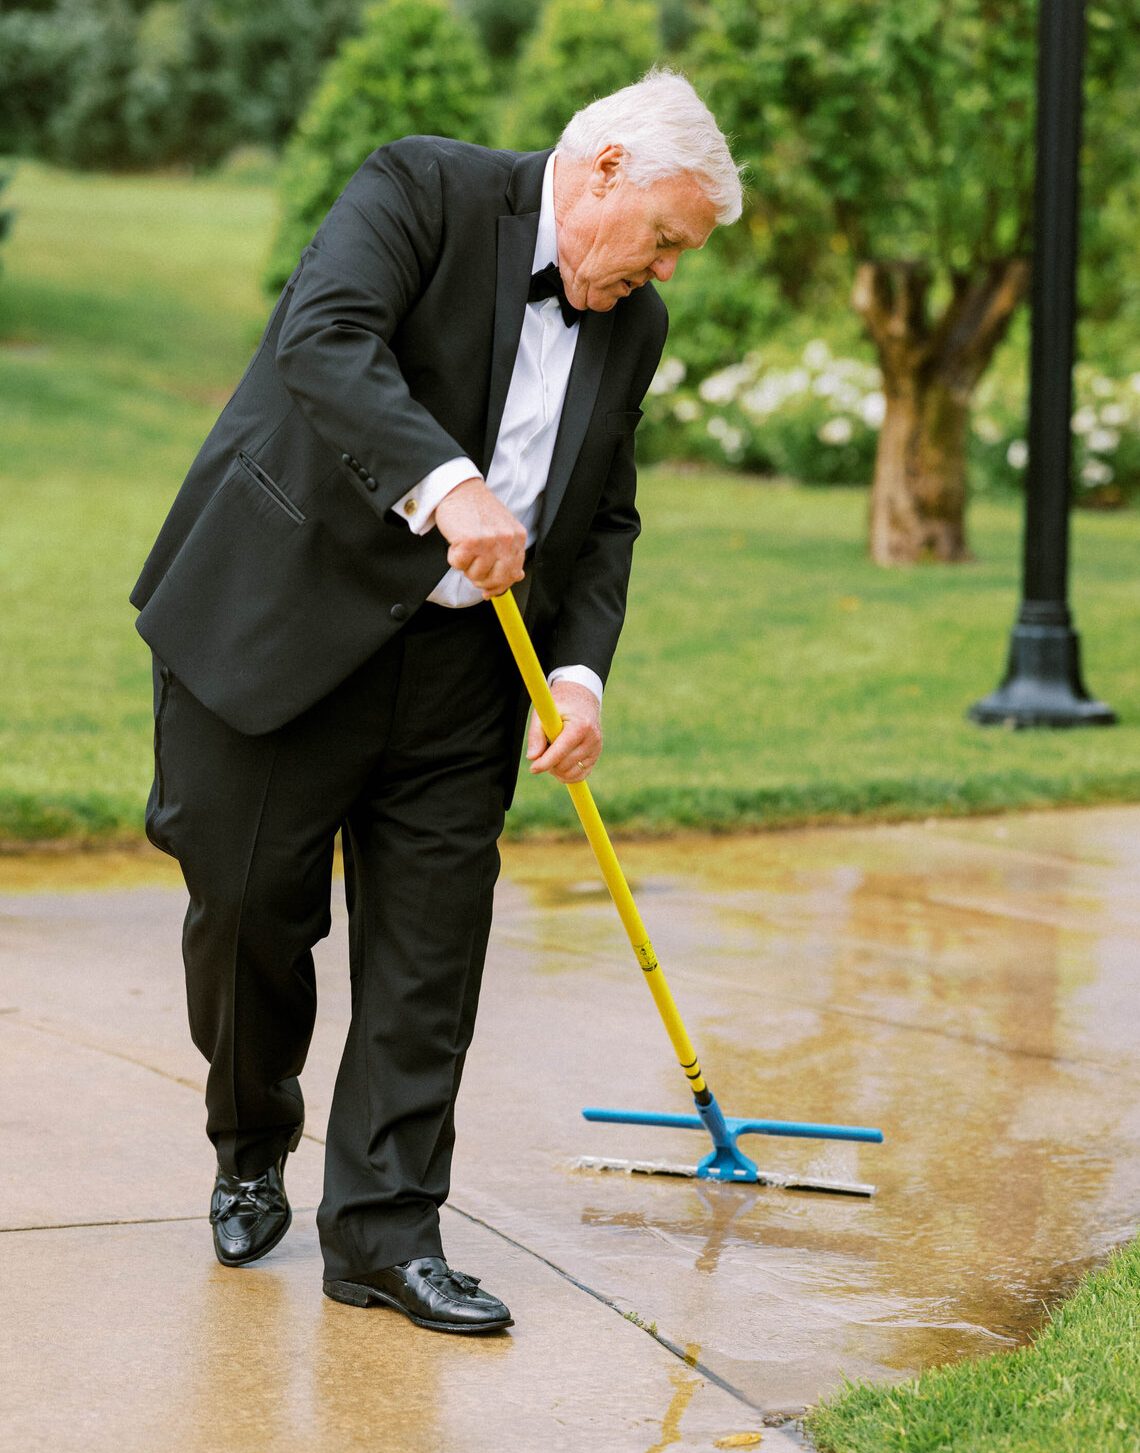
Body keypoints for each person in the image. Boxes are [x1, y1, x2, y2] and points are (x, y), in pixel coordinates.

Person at [131, 69, 741, 1335]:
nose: (668, 272)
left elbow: (605, 511)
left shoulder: (631, 327)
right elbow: (326, 340)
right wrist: (449, 487)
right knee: (246, 915)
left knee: (429, 960)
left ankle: (387, 1236)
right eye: (668, 239)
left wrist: (577, 675)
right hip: (281, 629)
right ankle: (251, 1139)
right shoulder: (421, 186)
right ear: (605, 169)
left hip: (468, 677)